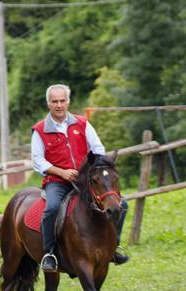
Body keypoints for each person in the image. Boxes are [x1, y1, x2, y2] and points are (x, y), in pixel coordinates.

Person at [31, 84, 128, 272]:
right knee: (51, 208)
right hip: (57, 182)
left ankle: (114, 247)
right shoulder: (40, 130)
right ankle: (49, 253)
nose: (59, 105)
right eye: (54, 101)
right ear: (48, 103)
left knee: (121, 205)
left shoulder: (82, 123)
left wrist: (95, 169)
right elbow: (37, 161)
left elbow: (98, 149)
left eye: (62, 101)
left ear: (68, 102)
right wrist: (62, 172)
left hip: (86, 181)